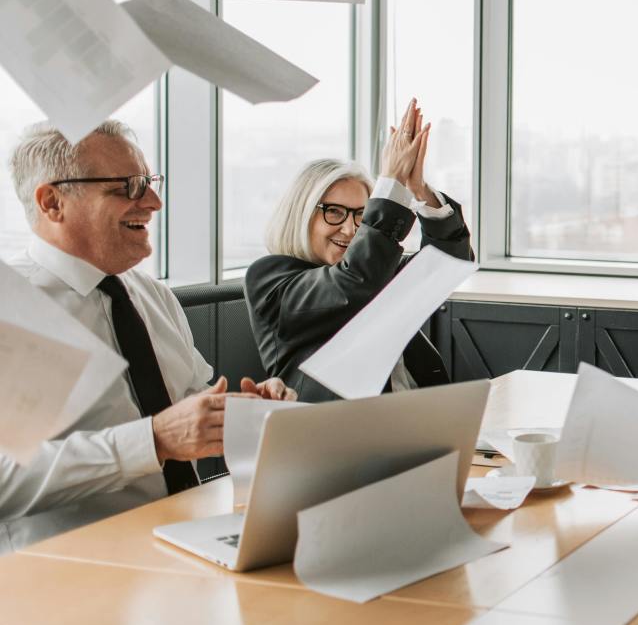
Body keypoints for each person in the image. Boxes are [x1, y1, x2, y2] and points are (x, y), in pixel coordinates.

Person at [1, 120, 294, 554]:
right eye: (127, 187)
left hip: (185, 542)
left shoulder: (152, 295)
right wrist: (153, 441)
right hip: (68, 572)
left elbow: (192, 407)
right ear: (52, 202)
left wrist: (247, 415)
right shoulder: (14, 310)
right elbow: (8, 481)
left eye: (149, 182)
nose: (154, 202)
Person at [245, 98, 472, 402]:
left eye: (361, 215)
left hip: (421, 419)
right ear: (300, 214)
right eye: (334, 212)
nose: (351, 229)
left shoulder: (375, 269)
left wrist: (419, 191)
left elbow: (446, 265)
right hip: (337, 436)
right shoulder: (270, 279)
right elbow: (353, 283)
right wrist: (390, 182)